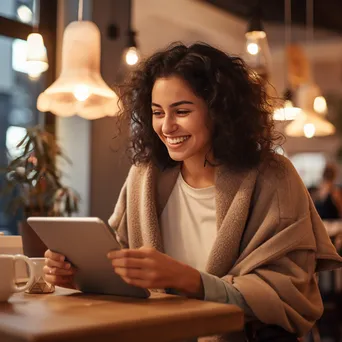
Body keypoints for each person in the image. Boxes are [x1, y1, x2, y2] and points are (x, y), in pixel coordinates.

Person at [43, 42, 342, 342]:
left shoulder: (273, 177)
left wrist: (188, 280)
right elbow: (122, 270)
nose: (167, 126)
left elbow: (287, 293)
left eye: (182, 111)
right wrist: (80, 275)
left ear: (219, 111)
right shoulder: (143, 178)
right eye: (157, 112)